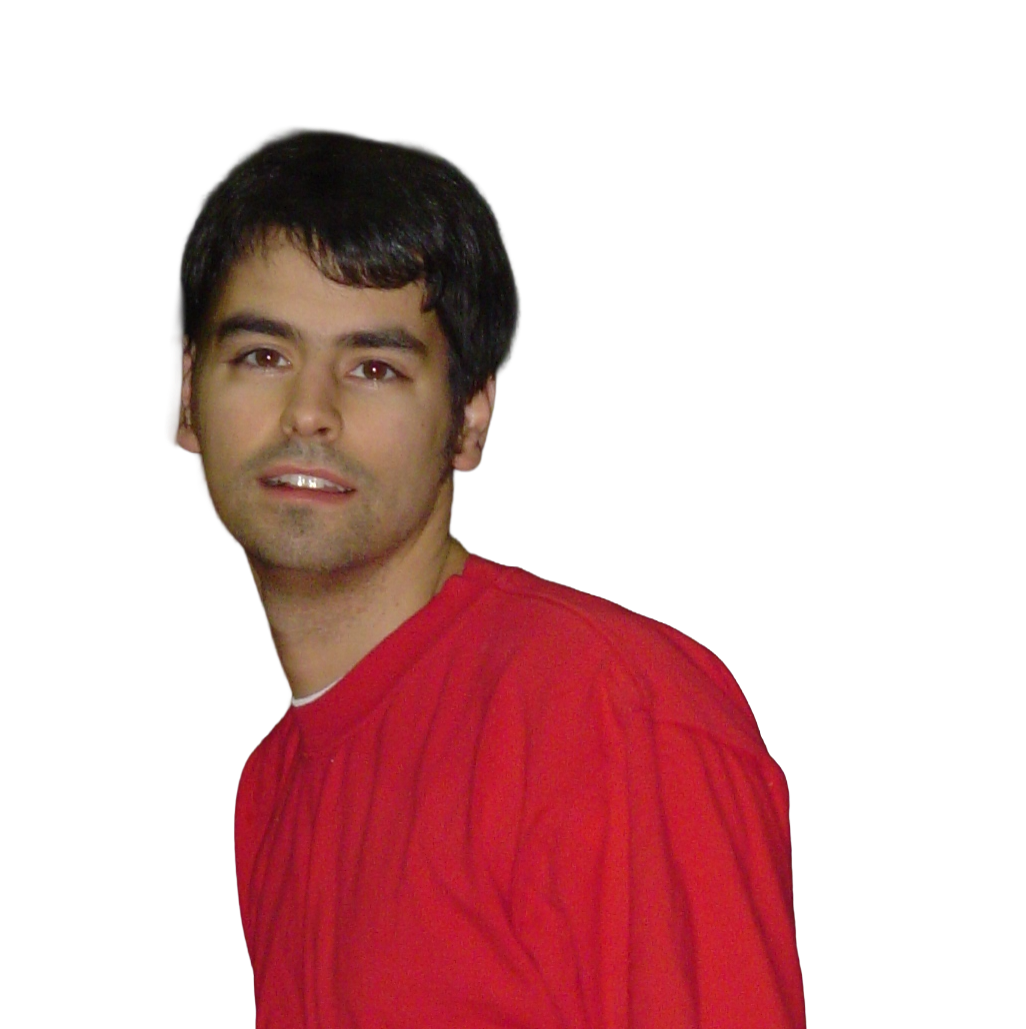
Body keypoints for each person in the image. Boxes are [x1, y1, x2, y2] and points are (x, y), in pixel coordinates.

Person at [168, 126, 805, 1028]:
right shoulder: (274, 787)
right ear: (185, 393)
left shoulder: (606, 713)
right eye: (263, 356)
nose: (308, 411)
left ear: (469, 420)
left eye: (374, 367)